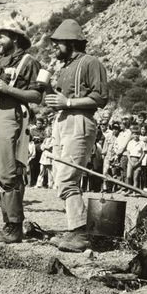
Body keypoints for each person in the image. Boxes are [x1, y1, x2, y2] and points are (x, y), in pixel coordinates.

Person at [45, 19, 108, 252]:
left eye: (58, 43)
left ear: (71, 42)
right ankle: (75, 228)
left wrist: (67, 102)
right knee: (60, 177)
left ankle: (80, 234)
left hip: (80, 120)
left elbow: (100, 98)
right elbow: (59, 100)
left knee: (67, 178)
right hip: (62, 121)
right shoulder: (64, 67)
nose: (54, 48)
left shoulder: (90, 62)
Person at [0, 18, 44, 243]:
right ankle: (7, 222)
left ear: (15, 38)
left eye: (1, 36)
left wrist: (7, 88)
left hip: (10, 117)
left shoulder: (29, 62)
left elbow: (37, 96)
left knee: (9, 173)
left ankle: (15, 225)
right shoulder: (0, 62)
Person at [124, 125, 145, 196]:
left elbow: (143, 153)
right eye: (134, 134)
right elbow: (128, 153)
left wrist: (139, 161)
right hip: (130, 159)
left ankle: (134, 191)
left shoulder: (141, 143)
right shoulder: (130, 142)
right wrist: (130, 161)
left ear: (139, 135)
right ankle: (129, 190)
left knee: (136, 177)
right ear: (132, 135)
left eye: (137, 134)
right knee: (129, 176)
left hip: (138, 160)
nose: (136, 136)